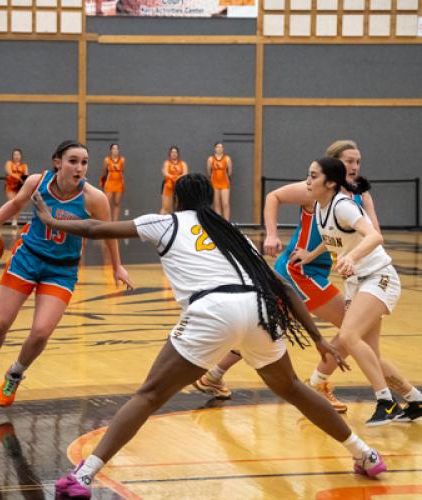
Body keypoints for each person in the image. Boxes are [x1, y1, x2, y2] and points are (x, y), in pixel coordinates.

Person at [33, 173, 387, 498]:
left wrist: (50, 220)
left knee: (149, 395)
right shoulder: (232, 232)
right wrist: (317, 338)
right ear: (209, 200)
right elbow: (280, 284)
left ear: (176, 200)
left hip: (212, 310)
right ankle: (366, 454)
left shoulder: (165, 222)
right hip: (257, 309)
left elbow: (96, 228)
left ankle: (83, 476)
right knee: (292, 387)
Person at [194, 140, 375, 409]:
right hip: (299, 271)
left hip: (314, 271)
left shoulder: (359, 196)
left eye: (358, 161)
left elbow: (373, 234)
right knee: (352, 328)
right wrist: (271, 234)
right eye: (349, 161)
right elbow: (273, 197)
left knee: (268, 328)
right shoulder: (313, 189)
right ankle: (320, 384)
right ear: (335, 165)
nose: (355, 166)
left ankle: (213, 375)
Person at [0, 140, 133, 407]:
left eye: (84, 162)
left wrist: (116, 265)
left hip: (61, 270)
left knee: (40, 332)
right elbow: (15, 205)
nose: (79, 167)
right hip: (27, 258)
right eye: (73, 161)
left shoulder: (94, 198)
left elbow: (106, 231)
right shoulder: (37, 182)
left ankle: (15, 374)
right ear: (57, 162)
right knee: (0, 324)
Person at [304, 156, 422, 425]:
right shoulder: (321, 208)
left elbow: (374, 236)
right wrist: (310, 255)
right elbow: (334, 238)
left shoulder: (343, 206)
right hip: (357, 282)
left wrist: (352, 257)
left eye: (313, 176)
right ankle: (415, 399)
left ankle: (385, 401)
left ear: (331, 182)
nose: (308, 181)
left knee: (348, 336)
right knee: (370, 354)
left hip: (378, 276)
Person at [207, 142, 232, 220]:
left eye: (221, 147)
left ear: (223, 149)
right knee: (217, 204)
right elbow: (208, 172)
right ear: (215, 149)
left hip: (224, 183)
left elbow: (230, 172)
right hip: (214, 183)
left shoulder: (227, 158)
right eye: (218, 147)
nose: (219, 149)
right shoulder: (211, 159)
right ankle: (219, 222)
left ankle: (226, 222)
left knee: (225, 203)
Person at [4, 148, 29, 227]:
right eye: (15, 154)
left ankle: (15, 221)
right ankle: (8, 218)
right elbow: (9, 172)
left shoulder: (24, 166)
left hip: (19, 187)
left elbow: (26, 175)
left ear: (21, 156)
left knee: (18, 204)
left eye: (18, 155)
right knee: (12, 202)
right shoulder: (9, 163)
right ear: (12, 156)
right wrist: (18, 178)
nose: (16, 156)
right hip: (11, 186)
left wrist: (24, 180)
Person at [101, 144, 125, 221]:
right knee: (107, 203)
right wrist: (102, 181)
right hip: (109, 183)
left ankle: (115, 222)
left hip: (119, 183)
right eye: (114, 148)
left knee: (117, 203)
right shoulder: (107, 160)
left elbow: (123, 171)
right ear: (111, 150)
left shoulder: (122, 160)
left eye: (117, 149)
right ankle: (107, 221)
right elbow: (104, 172)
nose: (115, 150)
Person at [161, 146, 187, 214]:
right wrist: (174, 177)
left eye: (175, 152)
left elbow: (185, 174)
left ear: (178, 153)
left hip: (179, 186)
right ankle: (162, 222)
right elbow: (165, 173)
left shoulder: (183, 163)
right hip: (169, 185)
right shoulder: (167, 163)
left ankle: (178, 223)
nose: (174, 153)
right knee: (166, 208)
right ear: (169, 153)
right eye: (172, 152)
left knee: (179, 208)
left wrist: (178, 177)